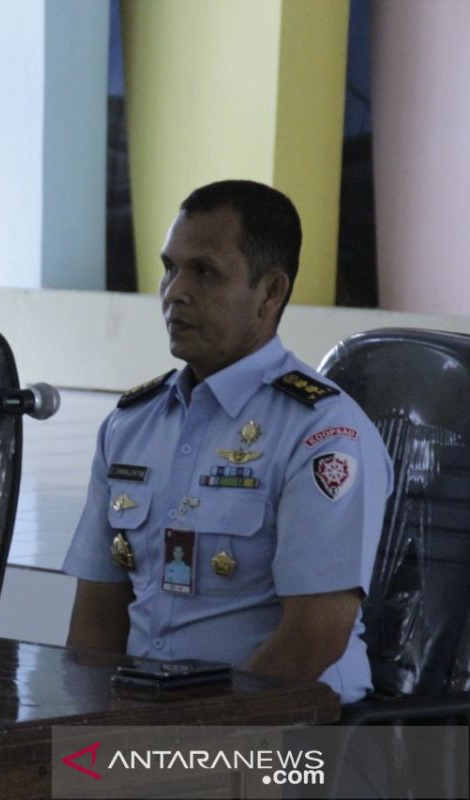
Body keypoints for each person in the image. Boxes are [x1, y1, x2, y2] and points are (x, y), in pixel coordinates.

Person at [62, 179, 392, 703]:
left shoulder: (322, 432)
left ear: (271, 292)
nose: (175, 291)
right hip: (153, 734)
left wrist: (190, 751)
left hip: (287, 737)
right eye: (170, 267)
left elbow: (312, 638)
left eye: (205, 272)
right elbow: (95, 624)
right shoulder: (130, 425)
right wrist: (86, 737)